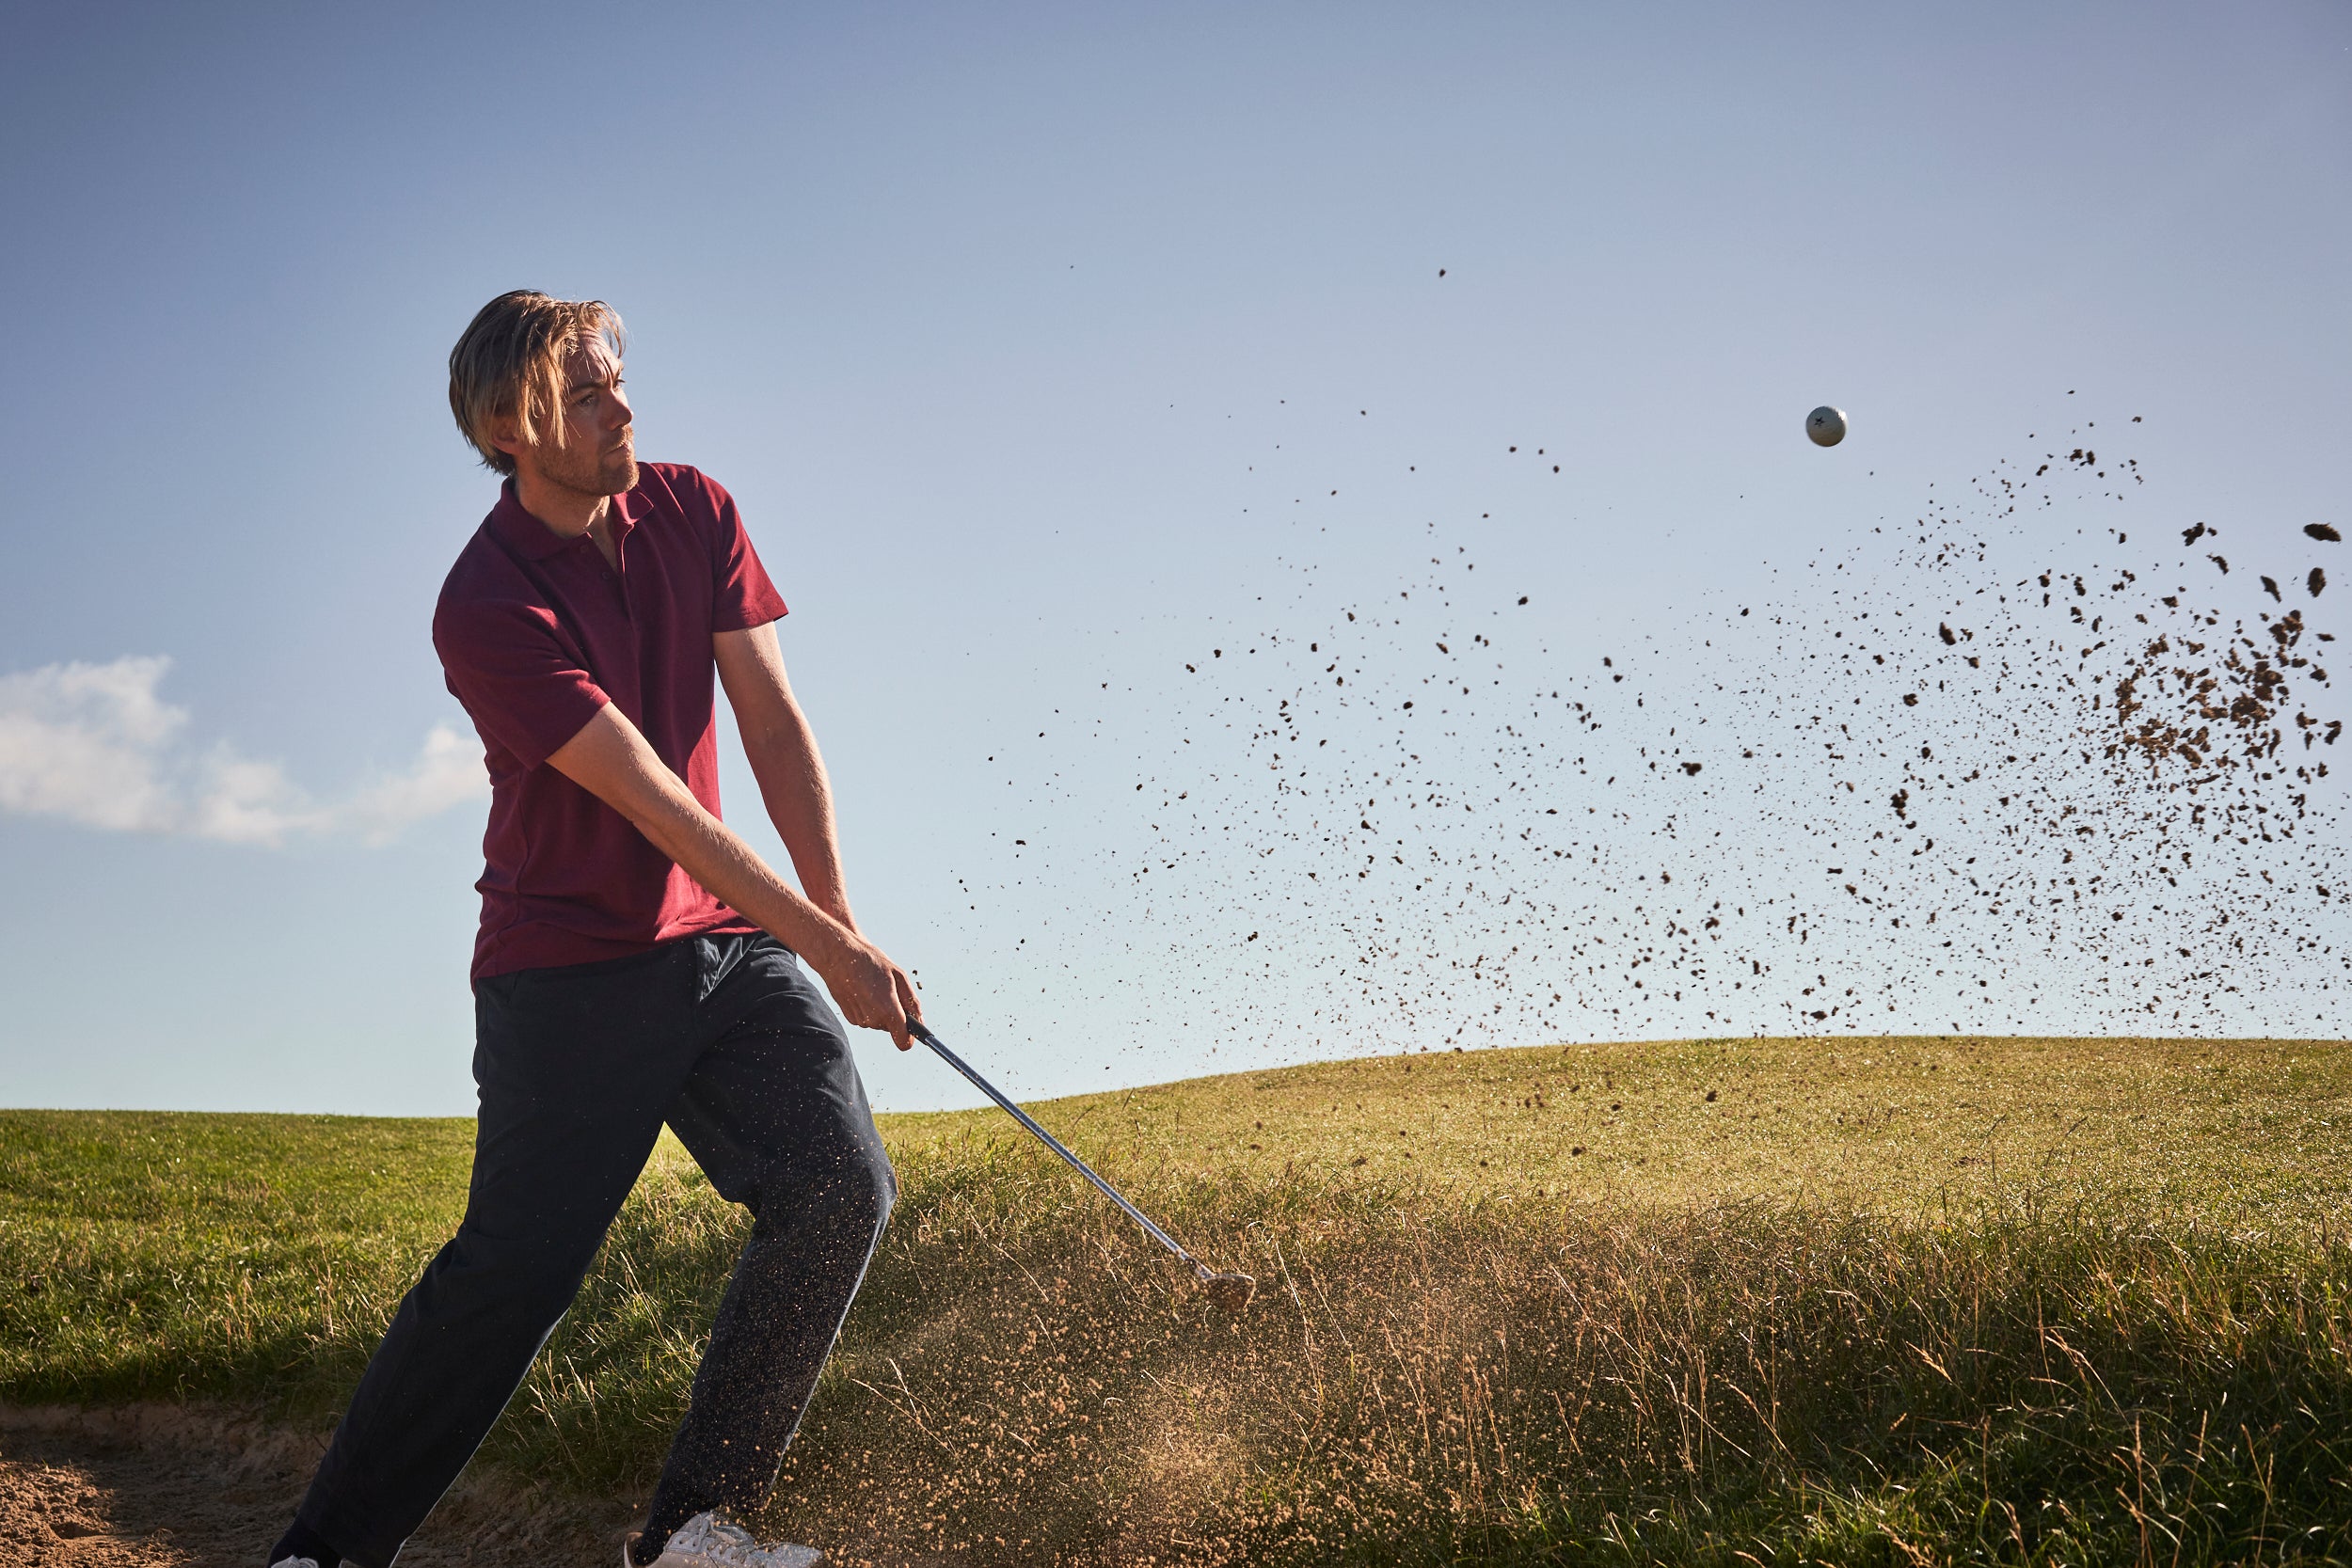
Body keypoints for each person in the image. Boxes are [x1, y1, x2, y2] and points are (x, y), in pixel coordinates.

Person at [269, 291, 918, 1568]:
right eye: (587, 393)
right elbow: (656, 803)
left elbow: (773, 730)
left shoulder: (693, 506)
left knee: (838, 1188)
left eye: (621, 378)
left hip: (730, 945)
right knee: (516, 1274)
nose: (624, 405)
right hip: (569, 970)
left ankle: (695, 1532)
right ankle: (325, 1553)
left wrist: (833, 924)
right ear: (513, 427)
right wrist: (834, 954)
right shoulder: (486, 603)